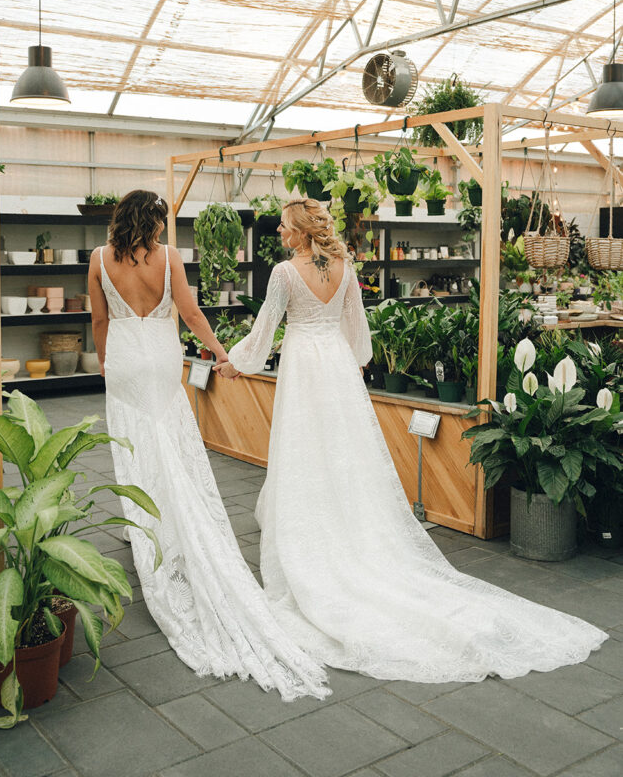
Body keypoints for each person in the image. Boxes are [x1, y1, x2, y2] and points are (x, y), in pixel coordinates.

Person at [217, 197, 607, 683]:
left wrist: (237, 363)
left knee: (304, 452)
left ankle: (313, 536)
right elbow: (359, 336)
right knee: (344, 455)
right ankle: (350, 531)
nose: (278, 231)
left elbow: (264, 332)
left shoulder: (282, 273)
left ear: (300, 230)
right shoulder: (343, 264)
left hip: (302, 366)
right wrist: (347, 361)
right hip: (336, 367)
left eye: (282, 225)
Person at [88, 189, 329, 701]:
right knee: (173, 444)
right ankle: (182, 521)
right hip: (160, 360)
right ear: (154, 223)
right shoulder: (168, 258)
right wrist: (222, 354)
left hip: (125, 365)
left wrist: (107, 363)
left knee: (133, 450)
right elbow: (192, 315)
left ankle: (149, 529)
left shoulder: (98, 259)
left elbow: (100, 322)